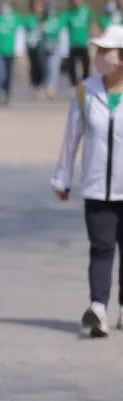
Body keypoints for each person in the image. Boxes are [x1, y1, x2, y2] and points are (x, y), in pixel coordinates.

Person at [51, 24, 123, 338]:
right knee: (101, 247)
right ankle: (98, 308)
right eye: (99, 50)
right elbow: (72, 138)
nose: (100, 55)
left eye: (107, 50)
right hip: (96, 187)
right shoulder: (85, 91)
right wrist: (62, 178)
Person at [63, 0, 93, 86]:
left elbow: (93, 23)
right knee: (71, 66)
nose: (76, 0)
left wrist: (94, 39)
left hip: (83, 44)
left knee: (86, 64)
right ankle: (74, 85)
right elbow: (61, 26)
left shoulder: (86, 11)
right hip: (72, 44)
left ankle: (86, 84)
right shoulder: (68, 13)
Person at [42, 0, 65, 100]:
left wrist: (64, 51)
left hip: (56, 48)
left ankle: (51, 89)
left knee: (53, 69)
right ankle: (45, 86)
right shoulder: (43, 20)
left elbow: (63, 35)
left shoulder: (59, 20)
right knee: (46, 69)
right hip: (44, 47)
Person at [25, 0, 48, 98]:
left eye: (40, 5)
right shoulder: (28, 18)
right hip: (32, 45)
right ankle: (35, 84)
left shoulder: (45, 18)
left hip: (43, 44)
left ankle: (42, 83)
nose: (38, 7)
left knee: (43, 65)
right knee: (34, 65)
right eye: (36, 5)